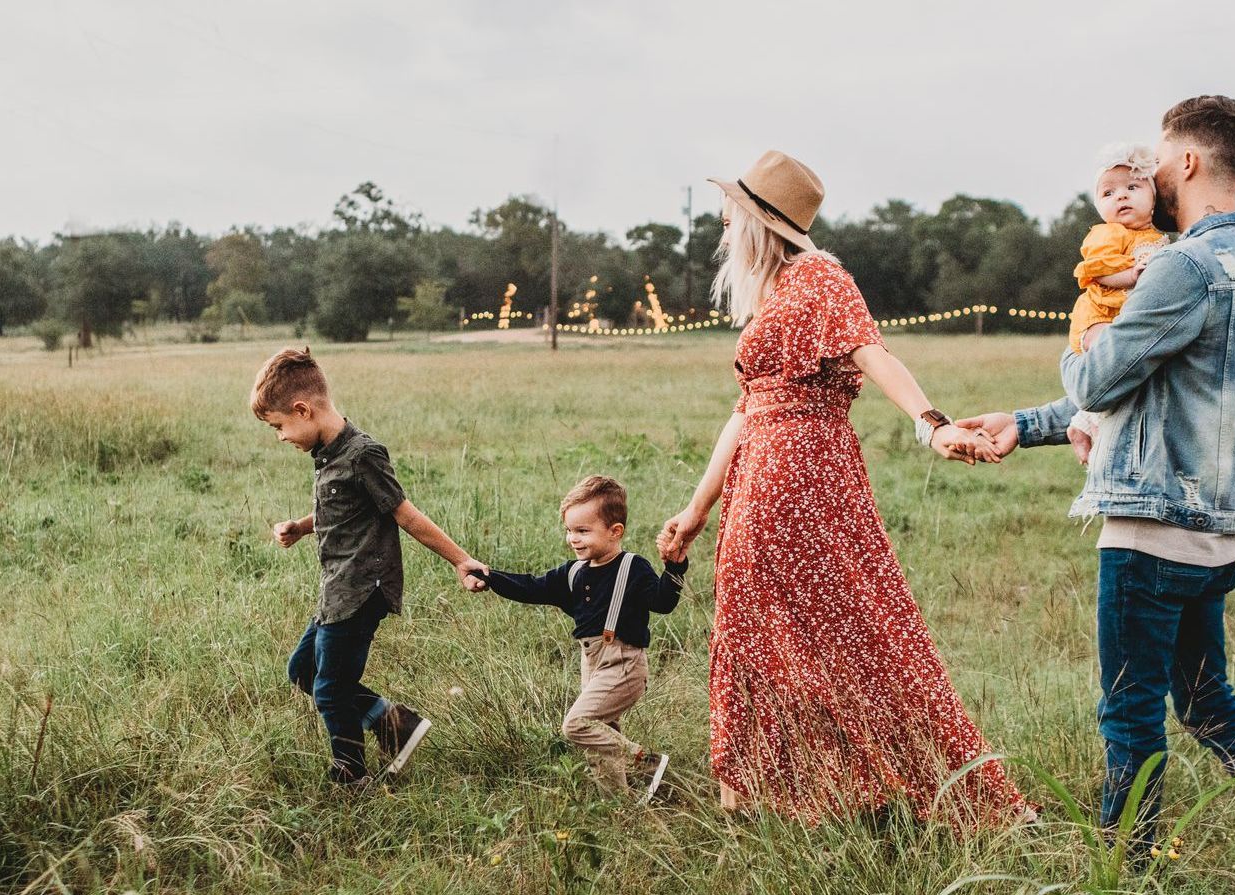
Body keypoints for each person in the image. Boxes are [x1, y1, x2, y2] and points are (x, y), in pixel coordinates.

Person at [958, 96, 1235, 895]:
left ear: (1189, 163)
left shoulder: (1181, 265)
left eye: (1159, 160)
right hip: (1217, 534)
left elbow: (1103, 376)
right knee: (1208, 700)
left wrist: (1084, 343)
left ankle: (1121, 882)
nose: (1148, 176)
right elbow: (1150, 390)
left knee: (1129, 713)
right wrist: (1026, 423)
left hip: (1151, 530)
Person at [657, 149, 1029, 824]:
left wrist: (932, 424)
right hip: (760, 476)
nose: (721, 222)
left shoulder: (819, 277)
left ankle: (889, 787)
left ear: (758, 221)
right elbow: (744, 411)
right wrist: (695, 509)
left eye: (730, 212)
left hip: (802, 475)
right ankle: (767, 793)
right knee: (756, 630)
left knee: (853, 628)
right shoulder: (772, 293)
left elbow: (873, 351)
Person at [250, 347, 489, 788]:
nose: (280, 436)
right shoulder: (326, 454)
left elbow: (405, 514)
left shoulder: (363, 454)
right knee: (302, 670)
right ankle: (394, 724)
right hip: (337, 589)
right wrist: (302, 527)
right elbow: (341, 512)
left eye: (279, 426)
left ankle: (351, 775)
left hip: (362, 590)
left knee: (330, 688)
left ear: (303, 410)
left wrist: (461, 560)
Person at [472, 475, 685, 802]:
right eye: (570, 530)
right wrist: (490, 577)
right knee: (602, 740)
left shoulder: (633, 568)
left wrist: (674, 567)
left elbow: (664, 603)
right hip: (592, 664)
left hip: (625, 665)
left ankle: (645, 762)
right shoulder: (573, 573)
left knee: (578, 725)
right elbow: (531, 587)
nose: (573, 538)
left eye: (583, 531)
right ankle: (619, 805)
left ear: (615, 532)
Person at [1065, 143, 1170, 462]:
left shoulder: (1156, 237)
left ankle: (1085, 424)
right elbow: (1097, 270)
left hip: (1122, 317)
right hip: (1098, 316)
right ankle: (1087, 425)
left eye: (1132, 187)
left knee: (1129, 371)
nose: (1121, 196)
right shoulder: (1108, 234)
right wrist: (1132, 275)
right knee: (1111, 362)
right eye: (1108, 193)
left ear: (1153, 197)